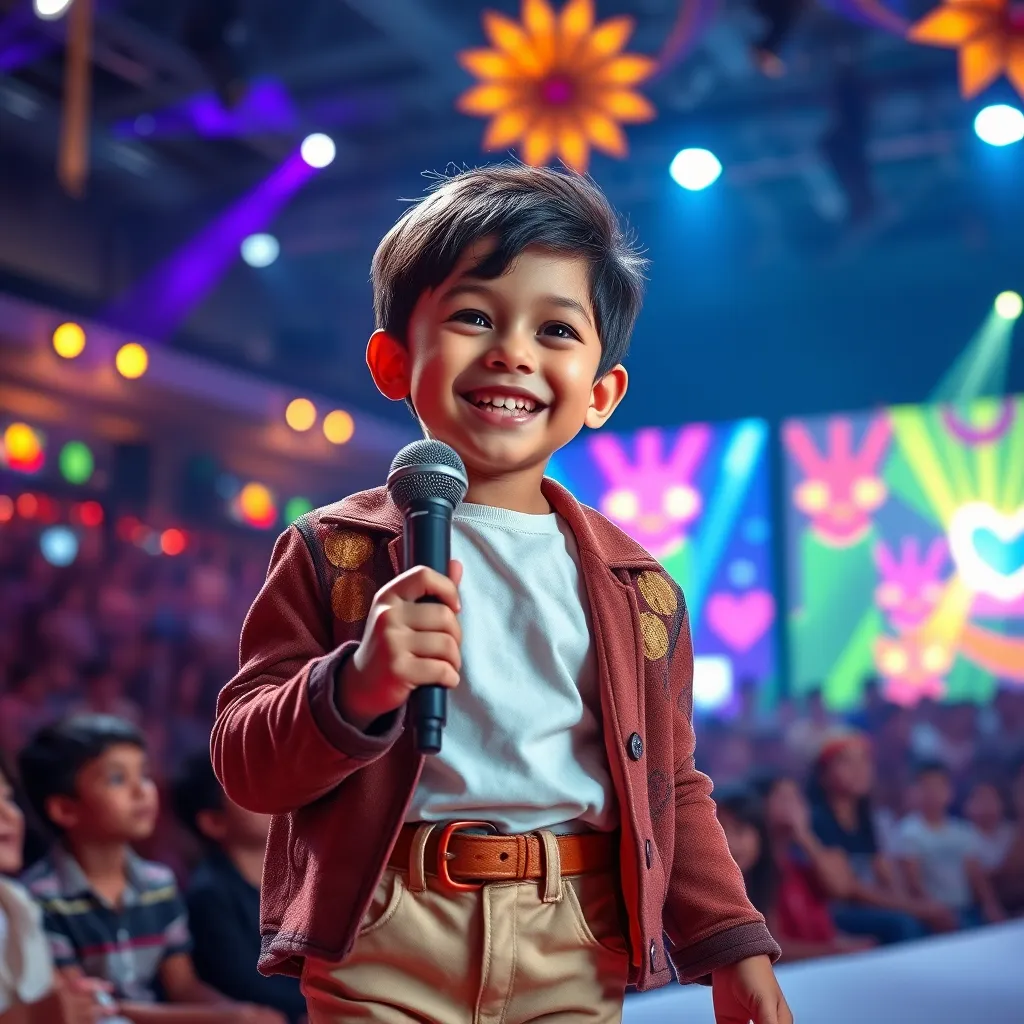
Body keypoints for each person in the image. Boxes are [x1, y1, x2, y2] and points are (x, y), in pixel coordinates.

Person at [211, 164, 789, 1024]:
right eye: (474, 316)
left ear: (601, 392)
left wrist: (732, 944)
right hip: (384, 924)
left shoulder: (644, 591)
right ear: (393, 359)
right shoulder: (333, 551)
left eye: (556, 329)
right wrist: (355, 685)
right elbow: (245, 762)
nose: (512, 349)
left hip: (574, 930)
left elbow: (675, 783)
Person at [17, 715, 284, 1024]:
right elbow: (90, 1008)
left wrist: (236, 1013)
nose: (141, 791)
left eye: (143, 775)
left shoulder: (158, 885)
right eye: (117, 779)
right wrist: (219, 1019)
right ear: (65, 809)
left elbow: (183, 986)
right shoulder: (41, 898)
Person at [172, 755, 306, 1023]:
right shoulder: (209, 896)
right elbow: (247, 986)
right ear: (214, 822)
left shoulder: (302, 876)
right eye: (248, 788)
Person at [809, 730, 954, 943]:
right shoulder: (819, 820)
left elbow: (885, 873)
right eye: (847, 762)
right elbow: (851, 889)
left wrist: (915, 904)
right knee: (904, 924)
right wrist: (914, 908)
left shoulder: (867, 819)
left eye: (864, 761)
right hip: (835, 911)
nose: (859, 770)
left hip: (869, 906)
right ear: (823, 774)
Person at [0, 754, 109, 1024]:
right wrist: (30, 1017)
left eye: (7, 799)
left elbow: (51, 994)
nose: (7, 815)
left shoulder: (18, 901)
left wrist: (77, 1000)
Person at [893, 762, 1005, 928]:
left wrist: (991, 905)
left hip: (968, 909)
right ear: (914, 792)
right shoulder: (908, 831)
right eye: (926, 786)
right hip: (933, 913)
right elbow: (913, 882)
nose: (933, 793)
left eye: (939, 786)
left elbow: (976, 875)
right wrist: (934, 911)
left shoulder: (963, 830)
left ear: (949, 791)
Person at [963, 778, 1015, 872]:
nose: (986, 804)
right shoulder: (960, 835)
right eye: (980, 798)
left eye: (991, 798)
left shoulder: (1014, 833)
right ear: (967, 805)